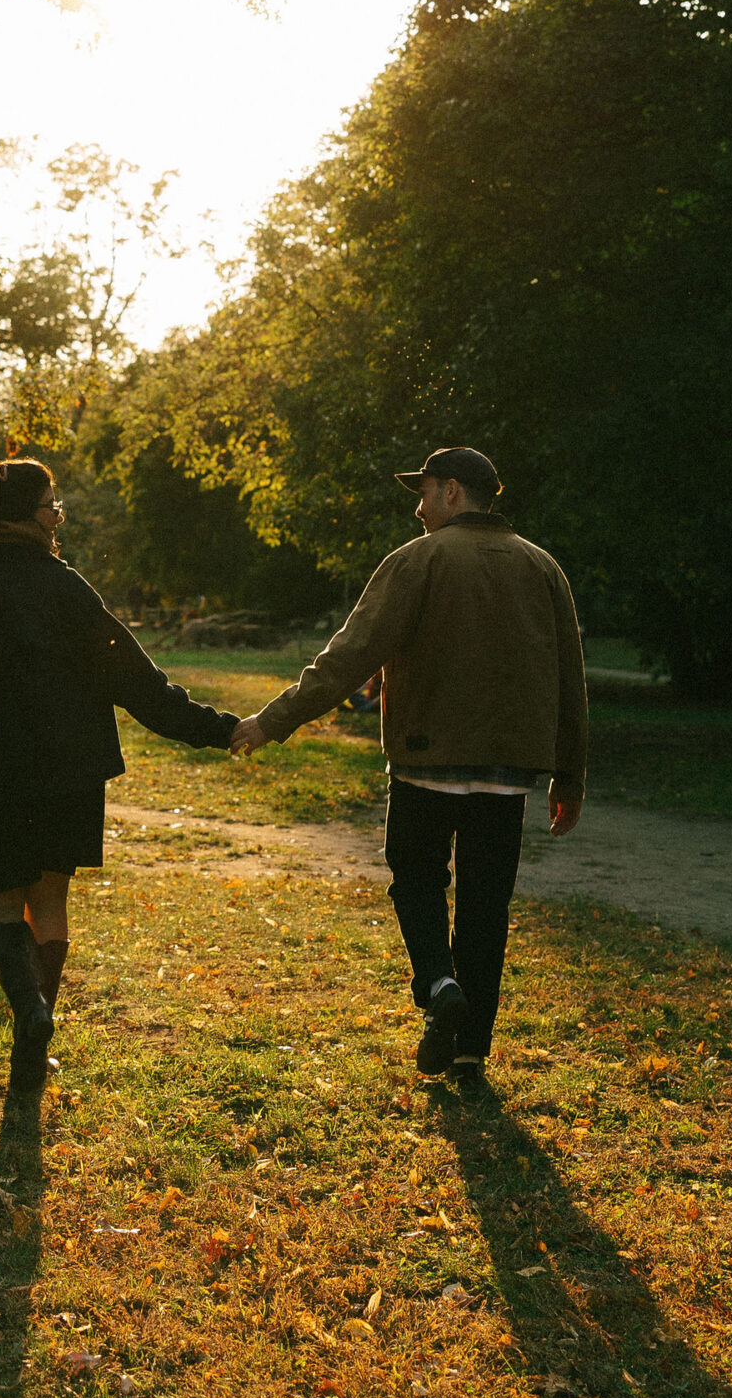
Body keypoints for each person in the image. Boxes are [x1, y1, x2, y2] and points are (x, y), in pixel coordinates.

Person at [230, 446, 586, 1082]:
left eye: (423, 494)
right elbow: (571, 679)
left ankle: (439, 982)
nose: (418, 509)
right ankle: (470, 1050)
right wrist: (571, 775)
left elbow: (350, 656)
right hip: (508, 776)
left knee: (417, 882)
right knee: (487, 908)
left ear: (452, 491)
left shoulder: (417, 561)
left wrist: (272, 721)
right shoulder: (544, 568)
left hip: (426, 763)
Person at [0, 457, 240, 1091]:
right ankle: (37, 1027)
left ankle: (29, 1013)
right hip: (67, 766)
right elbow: (137, 680)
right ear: (24, 512)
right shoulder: (62, 584)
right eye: (51, 504)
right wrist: (218, 728)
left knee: (0, 903)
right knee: (47, 903)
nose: (56, 515)